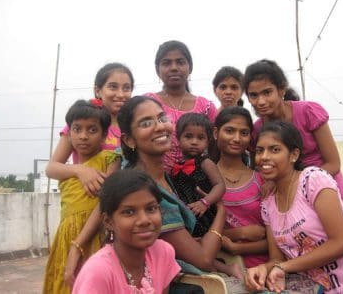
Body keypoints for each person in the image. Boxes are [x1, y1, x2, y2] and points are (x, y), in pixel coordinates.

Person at [245, 121, 343, 293]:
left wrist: (284, 267)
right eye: (260, 151)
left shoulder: (313, 180)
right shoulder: (267, 205)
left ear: (294, 155)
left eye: (275, 150)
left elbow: (342, 243)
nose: (264, 157)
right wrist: (264, 269)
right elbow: (277, 259)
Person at [118, 96, 246, 286]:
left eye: (162, 118)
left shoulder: (164, 176)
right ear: (129, 140)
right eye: (146, 123)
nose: (160, 127)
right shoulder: (145, 191)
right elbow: (203, 259)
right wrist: (221, 212)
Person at [243, 59, 343, 225]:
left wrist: (295, 184)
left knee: (339, 241)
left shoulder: (308, 112)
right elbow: (259, 170)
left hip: (326, 191)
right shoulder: (256, 131)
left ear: (281, 90)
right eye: (254, 95)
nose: (261, 101)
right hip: (285, 200)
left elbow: (333, 164)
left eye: (267, 92)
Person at [43, 100, 121, 294]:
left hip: (96, 235)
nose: (83, 136)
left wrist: (78, 245)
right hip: (65, 238)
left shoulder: (111, 160)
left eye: (92, 130)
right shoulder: (66, 170)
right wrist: (79, 170)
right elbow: (50, 169)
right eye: (77, 129)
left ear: (104, 135)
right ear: (69, 134)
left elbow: (105, 202)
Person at [72, 169, 181, 293]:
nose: (144, 220)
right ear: (108, 222)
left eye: (151, 209)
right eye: (129, 212)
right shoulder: (98, 272)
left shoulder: (162, 253)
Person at [46, 62, 134, 196]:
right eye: (113, 87)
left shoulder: (132, 127)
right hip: (87, 200)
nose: (121, 94)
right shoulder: (81, 125)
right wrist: (81, 170)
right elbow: (51, 169)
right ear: (98, 90)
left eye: (126, 88)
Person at [145, 40, 217, 172]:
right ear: (157, 70)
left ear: (190, 67)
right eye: (166, 63)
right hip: (154, 180)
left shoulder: (206, 106)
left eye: (180, 62)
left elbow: (216, 146)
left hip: (195, 184)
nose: (174, 67)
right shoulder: (146, 103)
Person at [214, 106, 268, 269]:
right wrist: (241, 233)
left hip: (264, 268)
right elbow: (198, 237)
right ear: (216, 133)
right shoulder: (204, 180)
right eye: (229, 131)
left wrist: (237, 247)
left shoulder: (263, 180)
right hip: (222, 270)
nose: (237, 138)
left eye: (244, 133)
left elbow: (277, 239)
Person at [171, 112, 225, 237]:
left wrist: (205, 202)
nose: (194, 142)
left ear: (207, 141)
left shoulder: (205, 163)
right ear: (178, 138)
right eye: (188, 137)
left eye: (200, 138)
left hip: (203, 213)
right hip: (185, 215)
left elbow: (220, 185)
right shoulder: (176, 166)